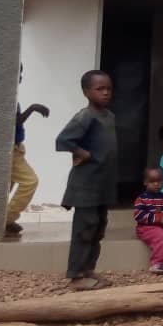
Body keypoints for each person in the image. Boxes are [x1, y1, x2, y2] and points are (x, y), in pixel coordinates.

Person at [55, 70, 117, 290]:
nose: (106, 93)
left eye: (108, 88)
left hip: (102, 184)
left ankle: (88, 268)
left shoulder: (109, 116)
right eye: (100, 89)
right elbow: (63, 140)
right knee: (85, 228)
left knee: (98, 228)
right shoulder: (85, 116)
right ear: (86, 92)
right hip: (86, 185)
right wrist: (83, 153)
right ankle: (76, 275)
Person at [6, 64, 49, 238]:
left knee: (6, 187)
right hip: (11, 150)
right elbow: (14, 121)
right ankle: (6, 219)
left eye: (21, 73)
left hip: (16, 148)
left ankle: (4, 219)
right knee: (30, 181)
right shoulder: (6, 95)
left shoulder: (11, 95)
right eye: (17, 73)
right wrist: (33, 108)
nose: (20, 77)